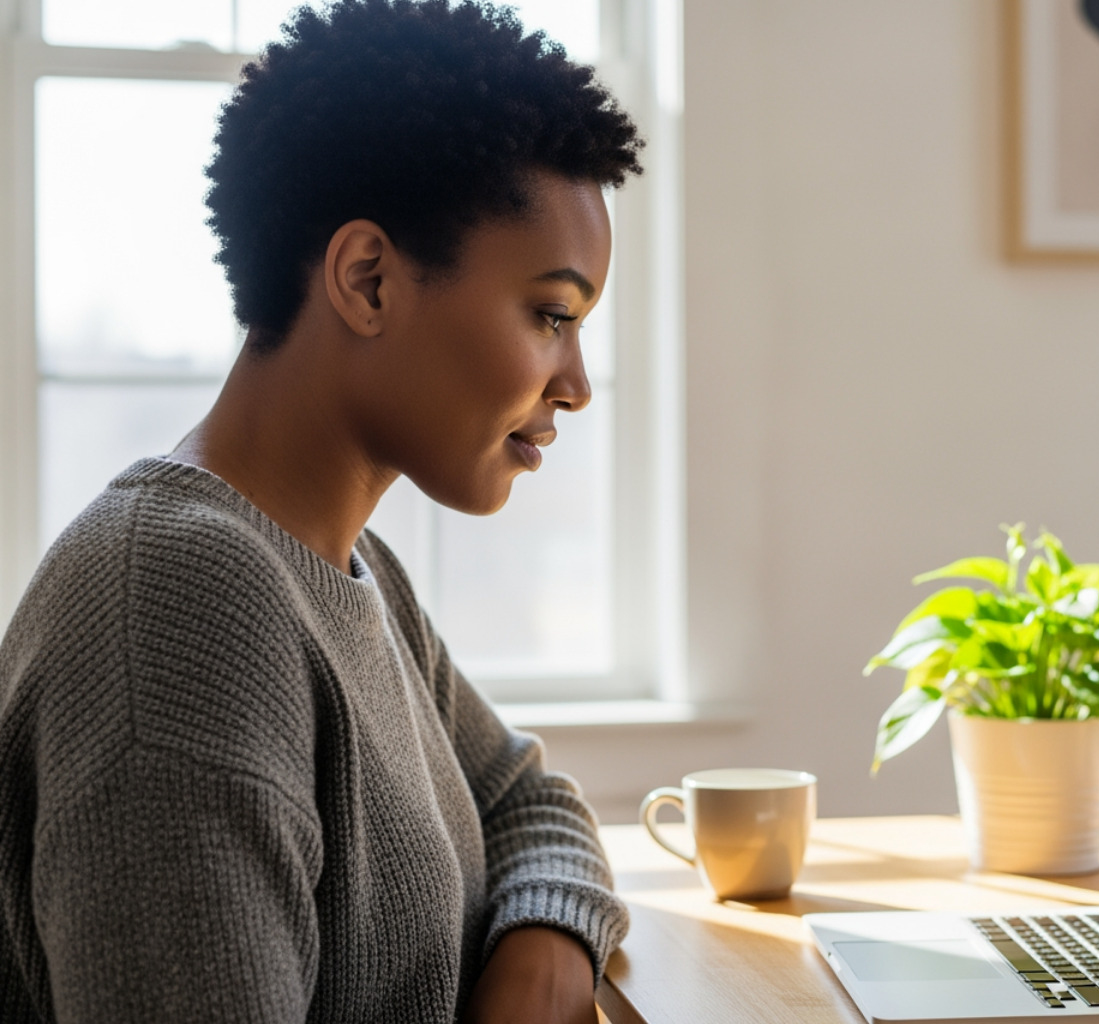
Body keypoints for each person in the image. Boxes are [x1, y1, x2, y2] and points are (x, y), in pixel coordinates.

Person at [0, 1, 643, 1021]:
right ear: (368, 280)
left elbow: (527, 797)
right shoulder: (181, 606)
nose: (575, 384)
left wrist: (545, 947)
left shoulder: (349, 568)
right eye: (551, 314)